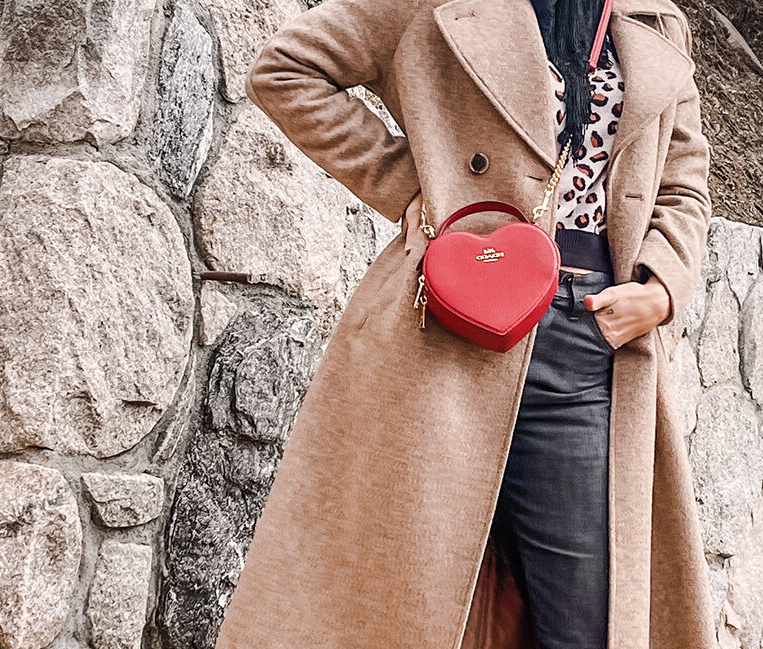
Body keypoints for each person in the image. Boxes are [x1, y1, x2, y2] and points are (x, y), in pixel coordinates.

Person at [211, 0, 715, 649]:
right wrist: (413, 187)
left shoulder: (652, 20)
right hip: (450, 327)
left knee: (589, 622)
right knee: (408, 603)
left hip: (591, 339)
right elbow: (286, 71)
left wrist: (661, 287)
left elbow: (685, 184)